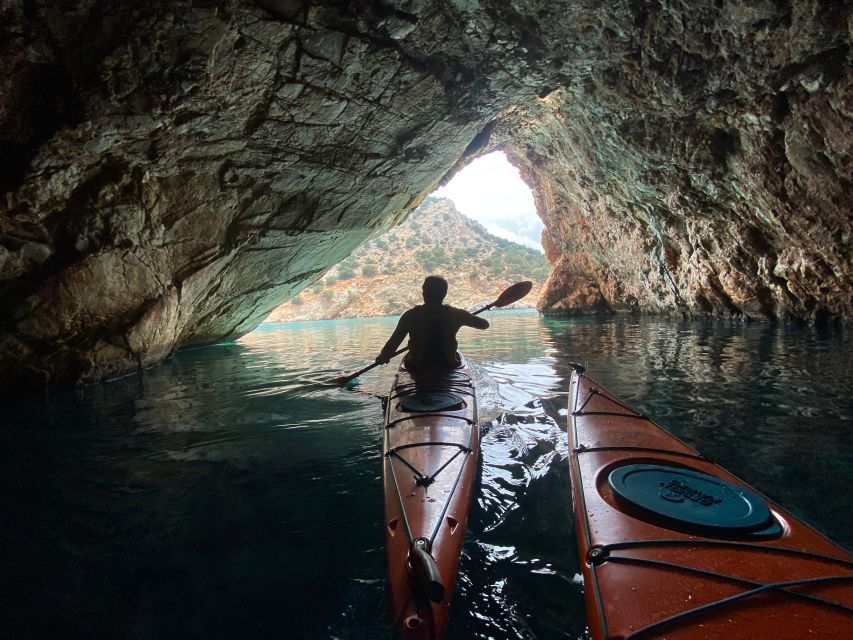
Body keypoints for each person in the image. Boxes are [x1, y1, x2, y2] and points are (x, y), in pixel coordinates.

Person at [375, 275, 489, 369]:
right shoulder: (457, 314)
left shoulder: (410, 316)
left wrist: (383, 356)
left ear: (424, 293)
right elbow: (484, 325)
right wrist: (467, 317)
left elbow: (391, 346)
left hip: (417, 367)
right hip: (448, 366)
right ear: (444, 293)